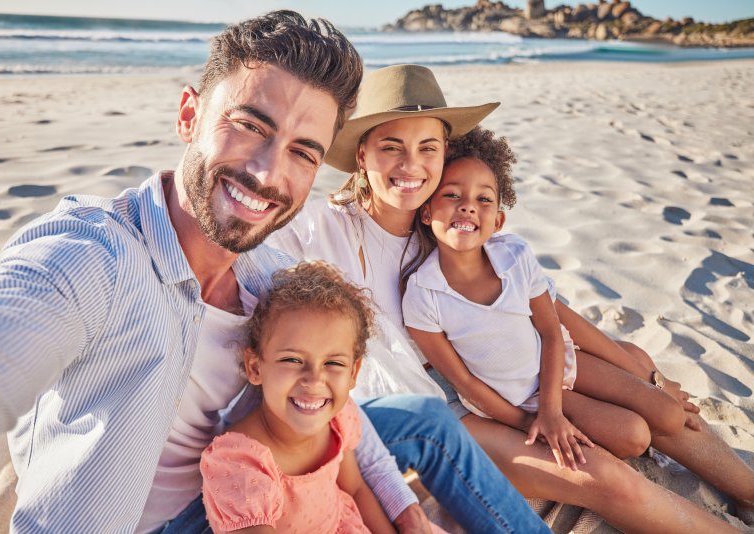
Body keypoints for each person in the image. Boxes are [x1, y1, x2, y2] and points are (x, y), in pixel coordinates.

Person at [0, 12, 548, 533]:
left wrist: (406, 514)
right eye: (251, 126)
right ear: (189, 115)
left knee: (424, 419)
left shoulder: (269, 273)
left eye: (302, 151)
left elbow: (345, 418)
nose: (268, 173)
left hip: (250, 478)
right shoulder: (92, 260)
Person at [267, 63, 749, 531]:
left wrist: (650, 375)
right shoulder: (321, 231)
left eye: (427, 148)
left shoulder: (448, 218)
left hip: (513, 360)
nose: (411, 165)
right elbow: (250, 256)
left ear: (443, 153)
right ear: (361, 156)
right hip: (449, 408)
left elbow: (550, 309)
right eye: (391, 147)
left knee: (640, 364)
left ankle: (747, 491)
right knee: (599, 475)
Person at [201, 261, 445, 533]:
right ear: (256, 367)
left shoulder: (338, 419)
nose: (314, 379)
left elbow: (355, 488)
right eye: (292, 359)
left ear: (354, 373)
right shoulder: (240, 463)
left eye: (333, 364)